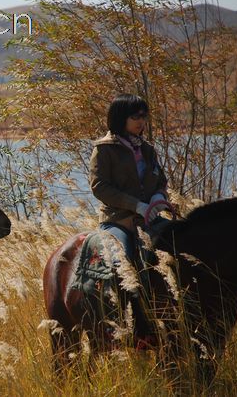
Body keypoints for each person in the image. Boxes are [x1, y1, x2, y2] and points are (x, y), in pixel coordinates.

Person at [89, 93, 168, 345]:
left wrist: (157, 198)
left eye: (144, 116)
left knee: (179, 243)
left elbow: (161, 181)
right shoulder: (104, 149)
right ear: (121, 118)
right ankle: (118, 324)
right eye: (136, 116)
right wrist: (136, 205)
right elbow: (99, 187)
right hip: (118, 220)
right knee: (119, 259)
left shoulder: (147, 149)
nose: (141, 121)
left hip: (150, 219)